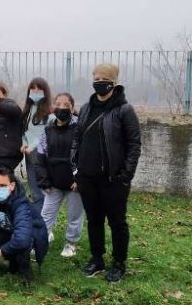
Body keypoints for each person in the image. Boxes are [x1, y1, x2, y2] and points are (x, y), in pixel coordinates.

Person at [73, 63, 141, 283]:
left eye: (104, 78)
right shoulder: (86, 108)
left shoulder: (124, 110)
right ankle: (97, 258)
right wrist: (75, 167)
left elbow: (134, 145)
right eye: (96, 77)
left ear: (113, 82)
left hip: (113, 179)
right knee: (94, 220)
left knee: (117, 223)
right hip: (87, 177)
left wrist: (125, 176)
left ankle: (119, 263)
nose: (99, 82)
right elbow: (77, 138)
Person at [35, 93, 84, 258]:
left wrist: (80, 179)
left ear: (72, 107)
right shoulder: (47, 129)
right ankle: (41, 239)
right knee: (46, 214)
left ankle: (71, 243)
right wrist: (44, 180)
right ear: (53, 107)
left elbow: (87, 155)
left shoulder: (80, 127)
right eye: (58, 104)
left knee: (74, 216)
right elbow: (40, 158)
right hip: (53, 183)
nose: (62, 107)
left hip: (74, 184)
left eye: (66, 104)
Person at [21, 77, 53, 215]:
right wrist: (24, 144)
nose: (35, 91)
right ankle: (37, 222)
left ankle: (46, 224)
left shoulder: (50, 113)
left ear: (45, 92)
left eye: (39, 88)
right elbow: (24, 131)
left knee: (44, 191)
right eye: (32, 88)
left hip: (42, 157)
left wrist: (33, 146)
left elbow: (47, 133)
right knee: (34, 190)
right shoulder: (27, 111)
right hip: (29, 156)